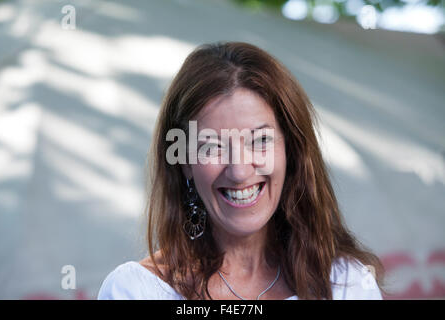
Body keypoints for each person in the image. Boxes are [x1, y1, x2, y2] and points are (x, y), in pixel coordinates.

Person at [98, 42, 385, 300]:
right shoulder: (134, 291)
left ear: (291, 151)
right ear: (184, 162)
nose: (238, 170)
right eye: (212, 146)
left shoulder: (348, 285)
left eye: (260, 140)